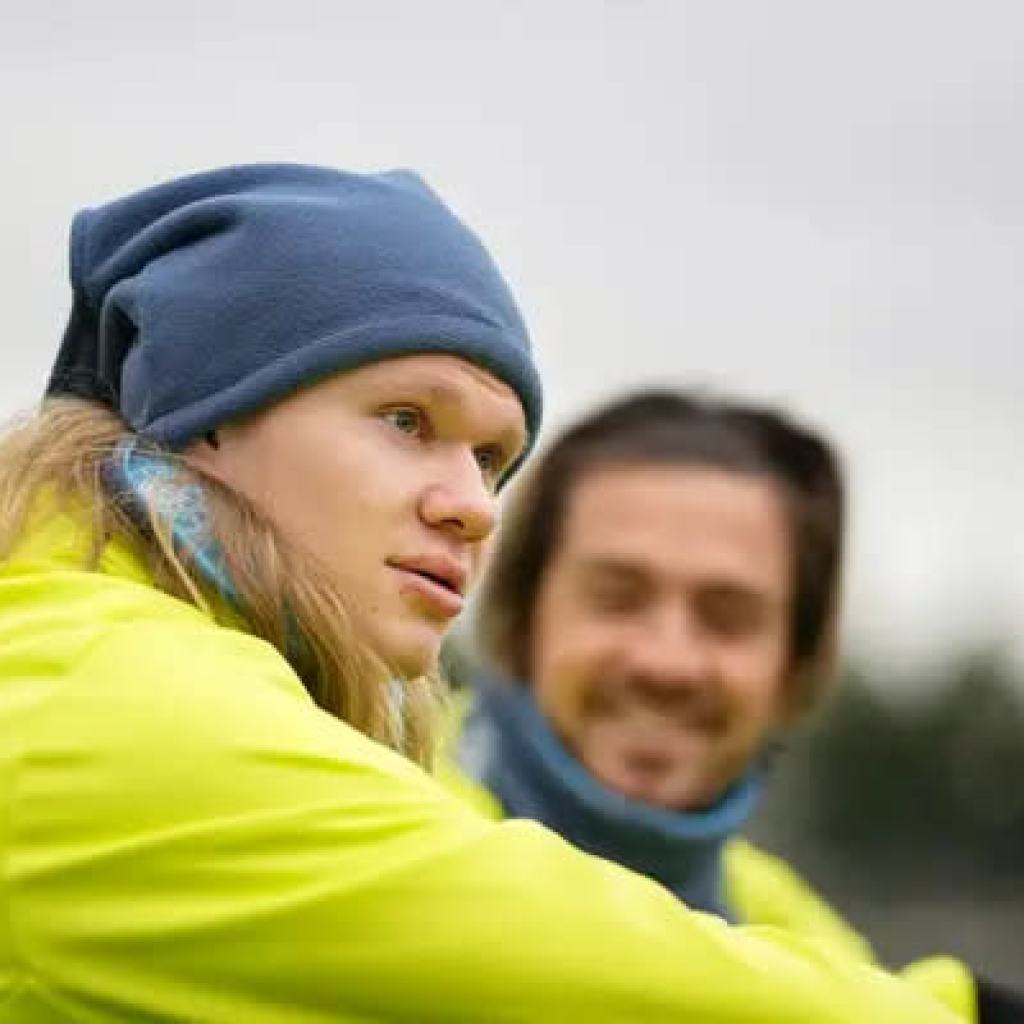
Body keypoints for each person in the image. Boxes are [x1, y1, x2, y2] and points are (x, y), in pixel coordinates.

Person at [0, 163, 961, 1022]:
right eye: (407, 419)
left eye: (492, 458)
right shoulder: (100, 701)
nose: (474, 507)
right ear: (203, 413)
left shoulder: (163, 677)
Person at [444, 389, 1019, 1022]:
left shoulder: (818, 948)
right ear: (522, 620)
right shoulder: (383, 801)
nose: (668, 663)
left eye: (728, 617)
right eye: (616, 598)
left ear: (795, 664)